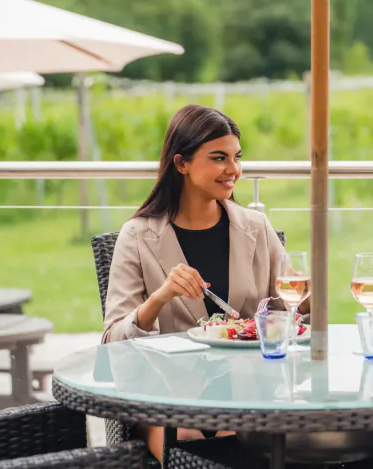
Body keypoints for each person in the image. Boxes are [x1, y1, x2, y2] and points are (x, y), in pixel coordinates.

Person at [102, 104, 290, 461]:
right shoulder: (138, 236)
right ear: (181, 164)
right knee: (192, 443)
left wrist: (308, 300)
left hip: (247, 394)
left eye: (237, 157)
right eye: (219, 158)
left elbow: (288, 312)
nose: (233, 169)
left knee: (263, 443)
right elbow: (113, 343)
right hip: (168, 399)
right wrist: (160, 297)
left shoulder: (256, 228)